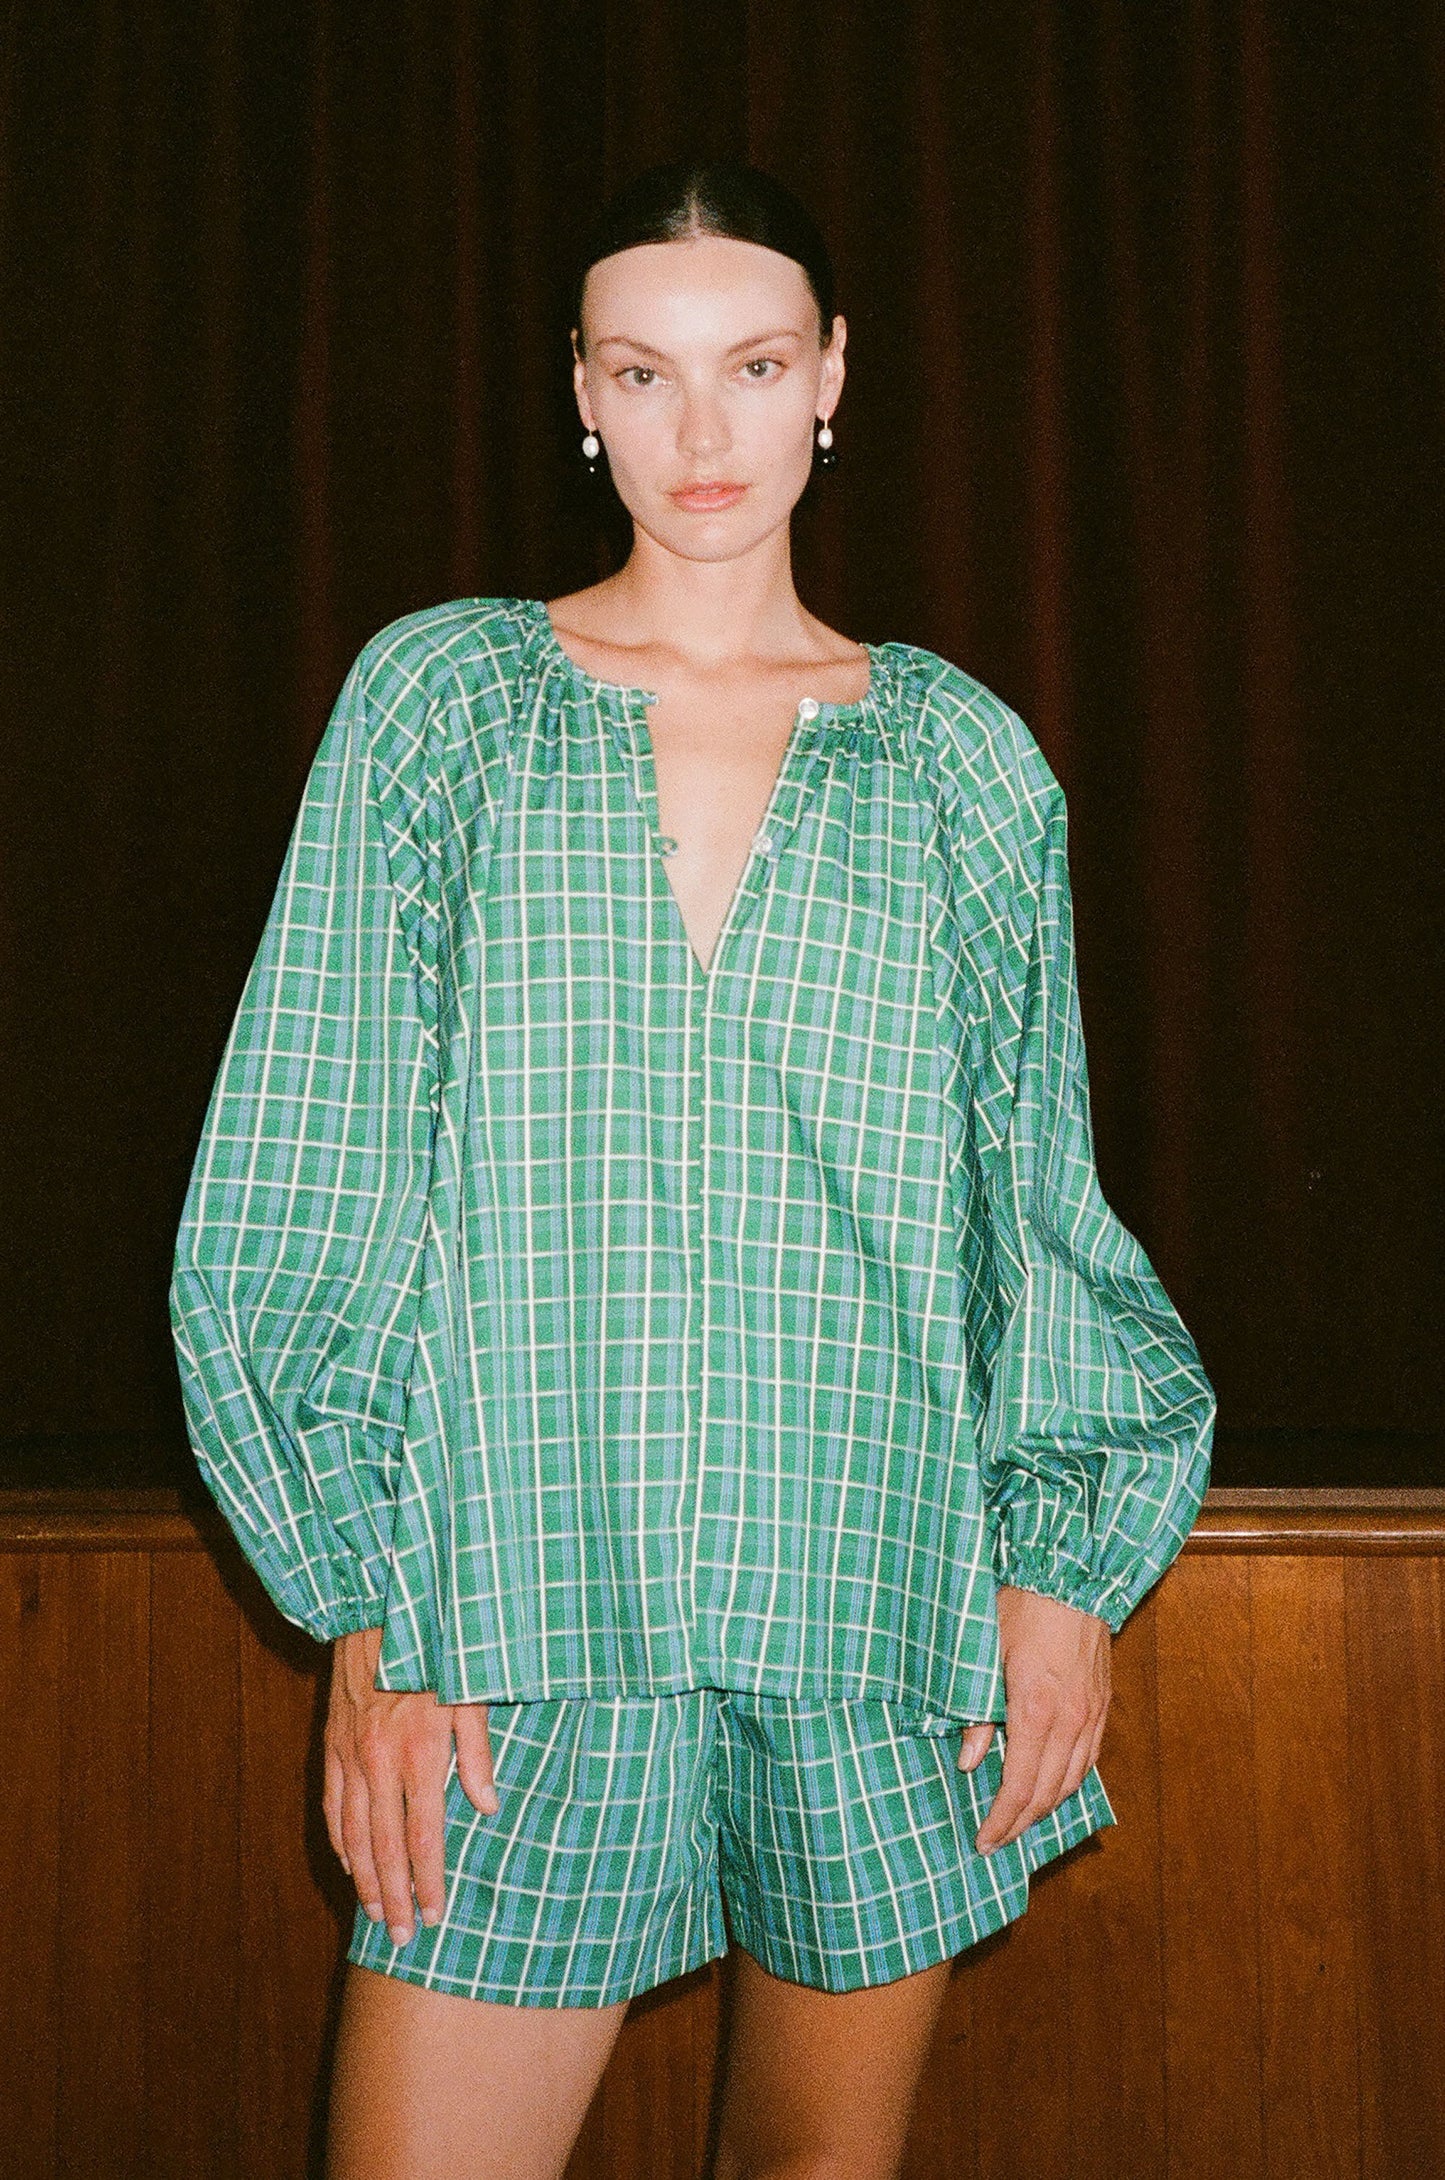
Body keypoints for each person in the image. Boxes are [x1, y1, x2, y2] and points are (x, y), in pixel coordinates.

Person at [170, 157, 1214, 2180]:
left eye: (751, 363)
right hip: (515, 1613)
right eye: (642, 371)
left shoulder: (961, 761)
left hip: (877, 1598)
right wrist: (369, 1618)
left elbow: (1035, 1206)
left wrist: (1064, 1578)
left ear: (832, 375)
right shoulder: (444, 708)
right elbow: (307, 1168)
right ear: (580, 392)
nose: (701, 429)